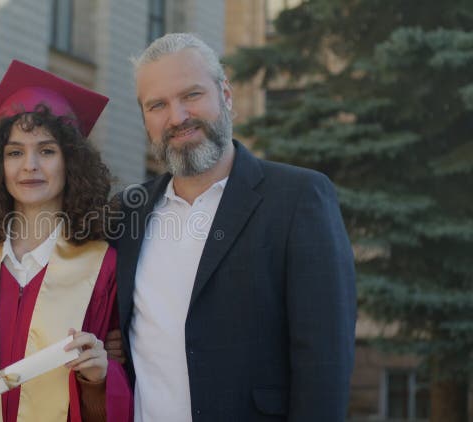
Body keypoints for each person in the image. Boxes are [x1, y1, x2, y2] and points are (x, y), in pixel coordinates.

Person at [108, 33, 357, 421]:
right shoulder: (125, 213)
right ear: (144, 118)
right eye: (158, 105)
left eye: (191, 95)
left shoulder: (298, 198)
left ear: (225, 94)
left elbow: (324, 361)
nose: (177, 117)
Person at [0, 60, 132, 422]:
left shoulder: (103, 267)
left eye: (46, 151)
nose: (29, 165)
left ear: (71, 163)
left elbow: (115, 389)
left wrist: (99, 379)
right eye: (15, 152)